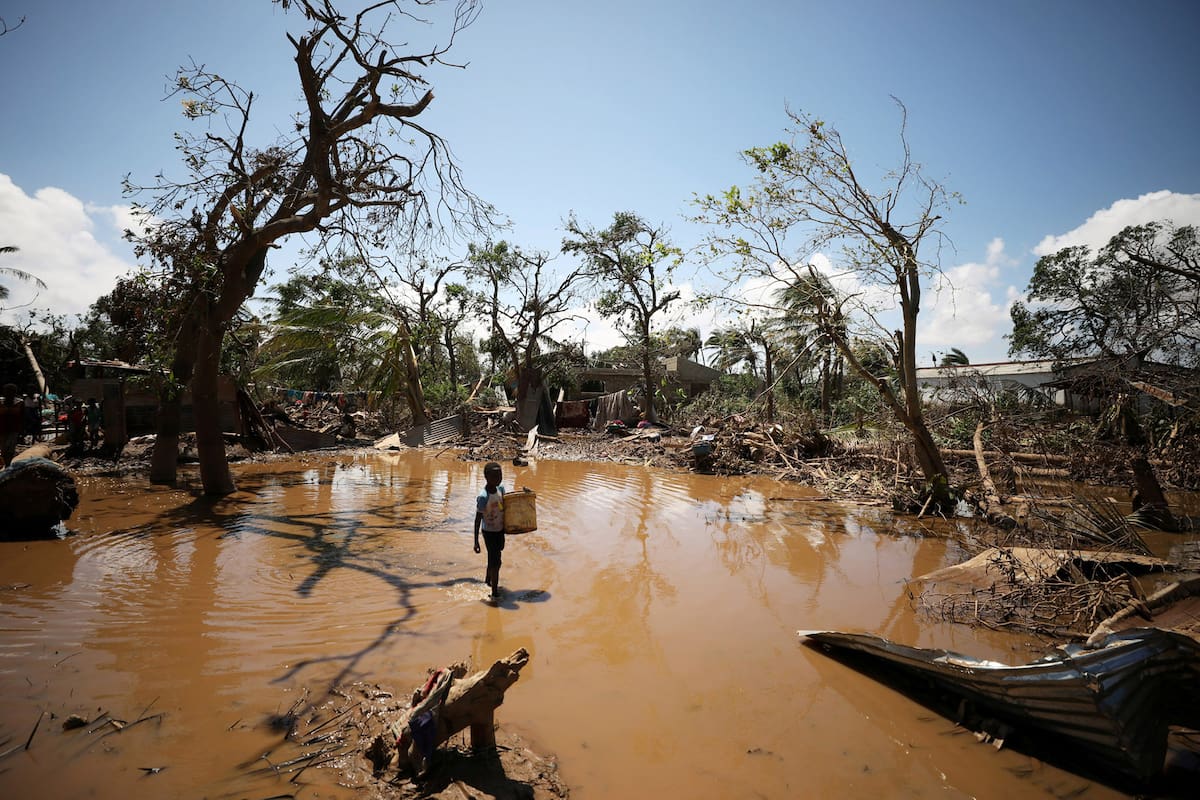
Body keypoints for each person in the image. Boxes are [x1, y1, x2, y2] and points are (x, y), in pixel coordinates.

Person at [473, 461, 506, 599]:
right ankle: (494, 593)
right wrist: (476, 541)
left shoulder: (501, 489)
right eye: (495, 476)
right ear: (487, 477)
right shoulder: (483, 496)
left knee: (494, 557)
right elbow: (477, 520)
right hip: (489, 532)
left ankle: (487, 580)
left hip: (500, 530)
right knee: (497, 561)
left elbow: (505, 507)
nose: (498, 478)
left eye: (500, 475)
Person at [0, 384, 22, 468]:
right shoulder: (0, 403)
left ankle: (8, 465)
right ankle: (6, 464)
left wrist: (22, 429)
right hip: (2, 429)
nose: (9, 394)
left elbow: (22, 417)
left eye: (11, 392)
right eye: (7, 391)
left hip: (14, 429)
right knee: (4, 449)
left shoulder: (19, 403)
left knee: (10, 449)